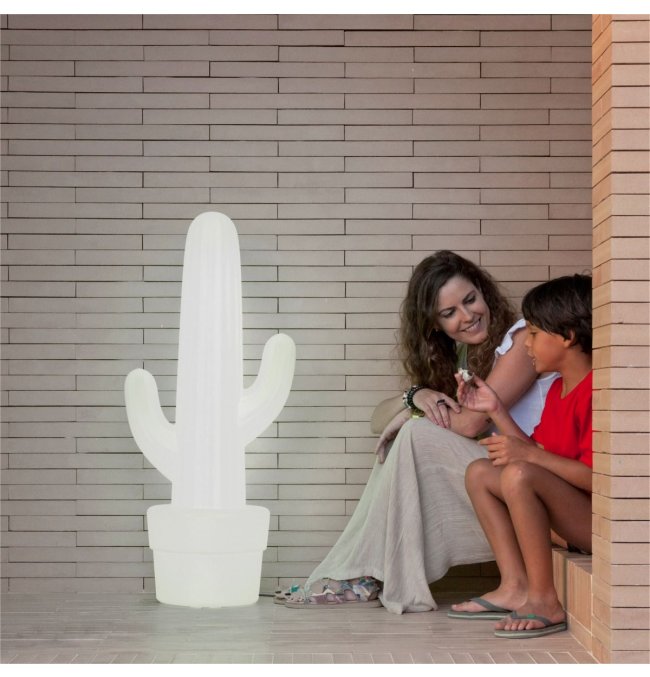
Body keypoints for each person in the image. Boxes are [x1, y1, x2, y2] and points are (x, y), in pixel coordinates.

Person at [278, 251, 558, 613]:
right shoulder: (461, 357)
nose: (467, 316)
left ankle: (365, 575)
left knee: (416, 434)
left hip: (535, 481)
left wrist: (413, 415)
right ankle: (362, 574)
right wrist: (416, 396)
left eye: (470, 299)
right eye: (449, 313)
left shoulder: (521, 340)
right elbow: (377, 420)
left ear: (484, 291)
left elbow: (472, 423)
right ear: (434, 325)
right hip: (499, 478)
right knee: (408, 435)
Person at [448, 274, 592, 638]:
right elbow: (534, 451)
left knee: (519, 474)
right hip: (568, 513)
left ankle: (544, 600)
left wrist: (531, 458)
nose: (526, 344)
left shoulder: (596, 392)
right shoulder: (558, 389)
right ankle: (516, 585)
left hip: (594, 523)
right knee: (480, 472)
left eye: (534, 334)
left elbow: (599, 480)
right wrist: (495, 409)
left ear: (567, 336)